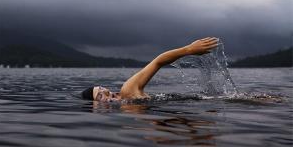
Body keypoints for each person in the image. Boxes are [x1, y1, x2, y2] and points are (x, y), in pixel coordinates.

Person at [82, 37, 218, 102]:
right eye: (100, 95)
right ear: (96, 106)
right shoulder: (125, 104)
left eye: (101, 88)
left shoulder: (128, 90)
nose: (105, 91)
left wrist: (188, 49)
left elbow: (158, 61)